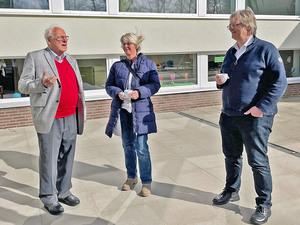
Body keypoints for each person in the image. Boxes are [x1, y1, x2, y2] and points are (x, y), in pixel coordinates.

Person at [213, 7, 287, 225]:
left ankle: (264, 203)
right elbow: (230, 80)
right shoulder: (231, 52)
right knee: (231, 156)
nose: (230, 29)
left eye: (233, 25)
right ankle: (231, 190)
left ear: (247, 26)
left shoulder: (266, 49)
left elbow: (279, 82)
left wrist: (261, 107)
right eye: (229, 25)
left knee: (258, 162)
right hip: (229, 114)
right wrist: (221, 83)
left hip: (255, 117)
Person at [18, 26, 86, 215]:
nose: (64, 40)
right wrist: (41, 84)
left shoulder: (71, 60)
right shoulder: (35, 57)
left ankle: (64, 191)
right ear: (49, 40)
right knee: (49, 159)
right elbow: (22, 85)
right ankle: (49, 197)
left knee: (68, 157)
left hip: (71, 115)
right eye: (59, 37)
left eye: (66, 37)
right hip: (51, 117)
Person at [105, 32, 160, 197]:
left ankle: (147, 182)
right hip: (123, 111)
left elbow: (155, 85)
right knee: (127, 146)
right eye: (124, 44)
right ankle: (131, 177)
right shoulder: (117, 66)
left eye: (129, 44)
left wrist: (139, 92)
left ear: (137, 45)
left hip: (141, 112)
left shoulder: (148, 64)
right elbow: (109, 86)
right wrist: (118, 93)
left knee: (142, 148)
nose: (126, 47)